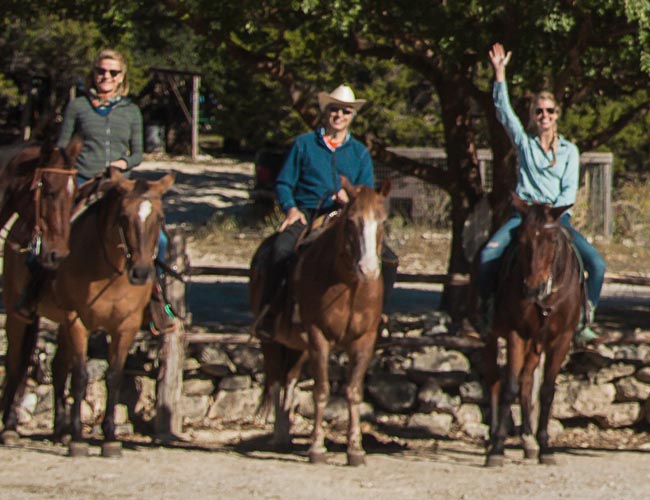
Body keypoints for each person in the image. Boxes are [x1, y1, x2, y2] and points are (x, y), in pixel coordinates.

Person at [18, 48, 174, 333]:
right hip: (83, 180)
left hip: (120, 185)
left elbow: (138, 153)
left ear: (121, 77)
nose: (106, 77)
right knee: (49, 231)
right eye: (102, 71)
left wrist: (123, 162)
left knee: (160, 240)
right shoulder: (78, 106)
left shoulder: (131, 111)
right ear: (94, 73)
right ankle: (33, 292)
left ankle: (158, 302)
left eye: (113, 73)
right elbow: (64, 146)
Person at [477, 43, 606, 347]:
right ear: (533, 116)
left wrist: (551, 211)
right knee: (487, 255)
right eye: (539, 111)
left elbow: (568, 189)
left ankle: (586, 317)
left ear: (557, 115)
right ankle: (487, 311)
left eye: (549, 111)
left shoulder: (569, 151)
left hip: (555, 219)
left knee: (597, 264)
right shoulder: (525, 144)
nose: (544, 116)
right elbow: (504, 114)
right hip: (524, 215)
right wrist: (499, 75)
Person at [255, 83, 398, 338]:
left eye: (345, 111)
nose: (339, 116)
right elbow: (284, 182)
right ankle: (271, 313)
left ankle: (378, 315)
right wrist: (291, 209)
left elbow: (367, 191)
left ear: (352, 116)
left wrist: (351, 198)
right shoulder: (304, 144)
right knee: (280, 250)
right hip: (308, 211)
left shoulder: (359, 152)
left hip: (348, 216)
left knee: (388, 258)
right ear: (326, 112)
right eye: (335, 110)